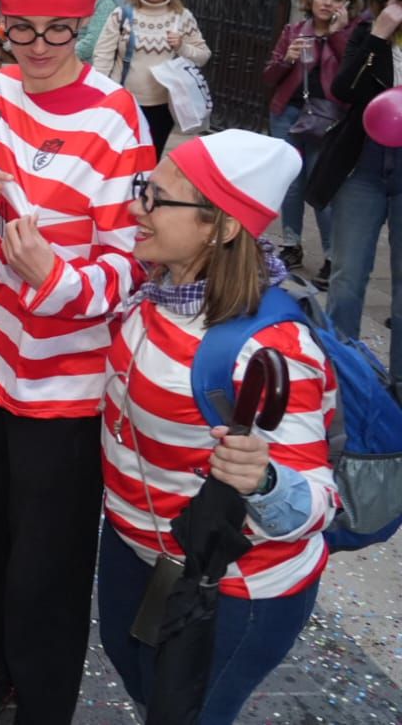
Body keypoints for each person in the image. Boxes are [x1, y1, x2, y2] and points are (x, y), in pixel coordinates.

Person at [0, 0, 155, 724]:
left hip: (66, 391)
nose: (35, 46)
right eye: (19, 27)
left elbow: (134, 269)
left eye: (57, 29)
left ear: (85, 20)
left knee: (52, 566)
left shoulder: (115, 120)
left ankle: (44, 702)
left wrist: (55, 276)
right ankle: (4, 657)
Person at [99, 131, 338, 725]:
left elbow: (317, 502)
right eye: (142, 191)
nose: (136, 208)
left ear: (221, 226)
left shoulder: (270, 349)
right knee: (139, 677)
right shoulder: (157, 291)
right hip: (141, 550)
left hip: (232, 586)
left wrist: (264, 481)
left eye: (157, 198)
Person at [310, 0, 402, 382]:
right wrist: (379, 36)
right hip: (363, 166)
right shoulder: (367, 31)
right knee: (347, 275)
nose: (389, 2)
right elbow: (344, 89)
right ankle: (341, 373)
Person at [262, 0, 353, 282]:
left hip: (328, 119)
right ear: (311, 0)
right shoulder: (293, 31)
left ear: (347, 5)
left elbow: (351, 77)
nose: (328, 3)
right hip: (288, 113)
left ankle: (331, 255)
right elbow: (269, 76)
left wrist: (338, 36)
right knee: (291, 183)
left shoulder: (353, 35)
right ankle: (291, 244)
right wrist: (287, 59)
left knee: (321, 187)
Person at [93, 0, 211, 157]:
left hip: (162, 106)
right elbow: (102, 56)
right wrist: (100, 95)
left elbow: (203, 56)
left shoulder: (182, 17)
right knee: (119, 158)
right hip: (124, 102)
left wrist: (182, 46)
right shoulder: (121, 15)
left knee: (150, 161)